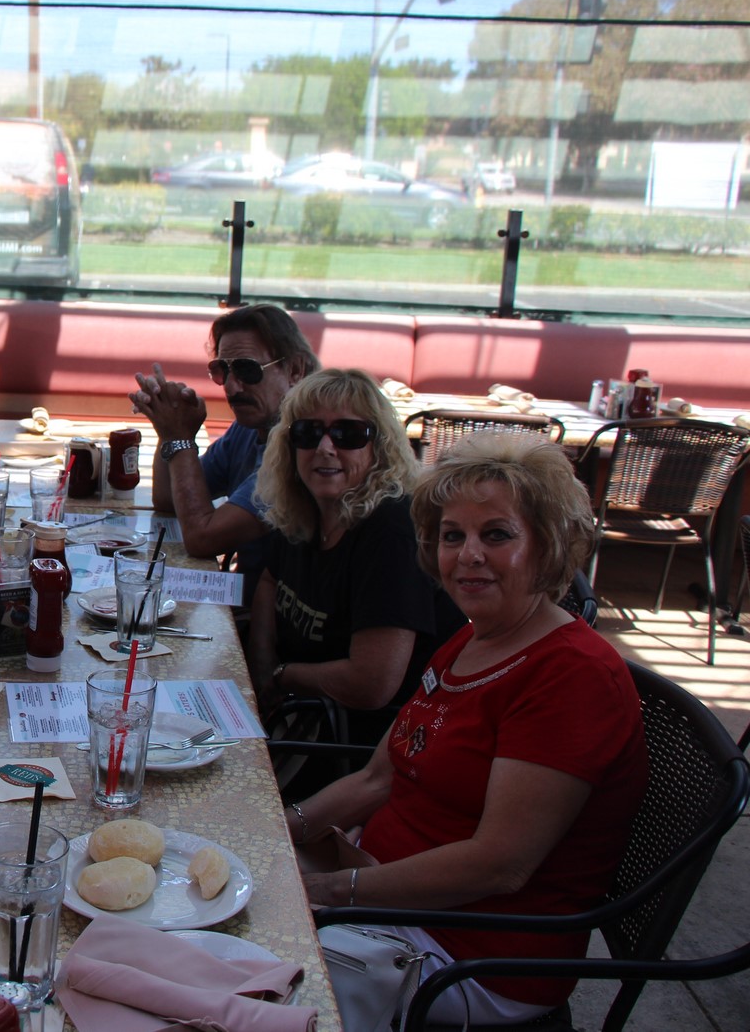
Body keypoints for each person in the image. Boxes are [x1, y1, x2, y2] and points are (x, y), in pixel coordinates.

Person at [288, 433, 647, 1024]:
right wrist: (287, 831)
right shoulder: (475, 635)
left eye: (497, 535)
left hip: (471, 954)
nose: (468, 554)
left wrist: (328, 893)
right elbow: (380, 777)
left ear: (548, 545)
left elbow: (498, 864)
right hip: (380, 892)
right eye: (452, 535)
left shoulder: (571, 677)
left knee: (243, 955)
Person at [247, 368, 463, 745]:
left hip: (363, 743)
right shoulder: (304, 509)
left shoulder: (392, 531)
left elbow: (371, 684)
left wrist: (282, 676)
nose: (325, 448)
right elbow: (270, 578)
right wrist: (263, 662)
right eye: (308, 433)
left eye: (348, 434)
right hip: (301, 714)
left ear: (378, 447)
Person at [130, 303, 319, 593]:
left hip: (267, 621)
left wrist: (179, 438)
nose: (230, 387)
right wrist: (167, 427)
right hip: (240, 598)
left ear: (294, 370)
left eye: (247, 369)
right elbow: (169, 500)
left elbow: (202, 538)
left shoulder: (304, 446)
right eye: (222, 370)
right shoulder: (248, 428)